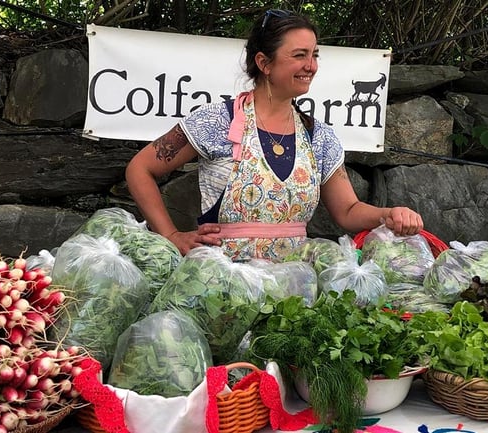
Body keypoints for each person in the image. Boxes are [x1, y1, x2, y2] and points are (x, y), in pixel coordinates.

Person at [126, 9, 423, 261]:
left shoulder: (319, 136)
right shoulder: (216, 121)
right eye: (299, 55)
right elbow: (140, 168)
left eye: (314, 55)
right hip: (219, 285)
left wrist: (389, 214)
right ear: (264, 63)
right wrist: (171, 234)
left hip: (293, 290)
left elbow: (348, 209)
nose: (311, 66)